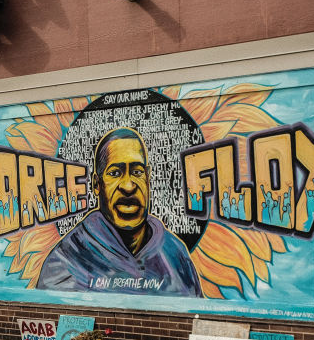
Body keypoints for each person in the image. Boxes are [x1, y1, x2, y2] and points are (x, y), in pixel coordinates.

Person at [38, 127, 202, 296]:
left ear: (148, 177)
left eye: (137, 172)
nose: (128, 186)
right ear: (96, 184)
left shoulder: (175, 254)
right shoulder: (66, 260)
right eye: (115, 173)